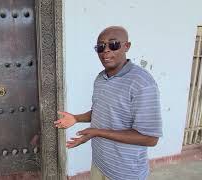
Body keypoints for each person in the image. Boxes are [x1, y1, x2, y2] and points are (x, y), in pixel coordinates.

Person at [54, 26, 162, 180]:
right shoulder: (100, 78)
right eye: (100, 46)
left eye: (114, 44)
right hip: (100, 163)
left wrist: (97, 132)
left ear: (127, 46)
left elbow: (150, 138)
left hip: (125, 172)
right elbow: (101, 111)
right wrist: (76, 118)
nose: (106, 50)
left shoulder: (142, 83)